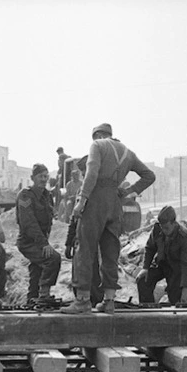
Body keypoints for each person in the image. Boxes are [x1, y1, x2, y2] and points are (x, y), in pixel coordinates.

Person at [63, 122, 155, 314]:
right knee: (110, 252)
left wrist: (81, 201)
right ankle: (109, 301)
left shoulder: (97, 146)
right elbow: (149, 175)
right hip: (114, 203)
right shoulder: (128, 153)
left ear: (97, 135)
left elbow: (92, 173)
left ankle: (82, 300)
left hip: (95, 200)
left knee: (85, 249)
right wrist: (129, 191)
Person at [16, 163, 61, 305]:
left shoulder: (47, 196)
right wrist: (44, 244)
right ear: (32, 178)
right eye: (40, 176)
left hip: (40, 240)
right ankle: (44, 295)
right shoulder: (25, 196)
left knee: (37, 268)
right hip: (28, 242)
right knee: (53, 259)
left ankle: (32, 299)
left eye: (46, 176)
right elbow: (28, 222)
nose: (44, 179)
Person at [137, 205, 187, 305]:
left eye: (167, 228)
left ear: (174, 223)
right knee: (143, 280)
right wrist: (145, 268)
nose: (164, 230)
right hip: (161, 263)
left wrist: (185, 289)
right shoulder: (157, 229)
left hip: (176, 269)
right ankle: (148, 310)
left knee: (176, 298)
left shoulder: (183, 237)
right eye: (162, 227)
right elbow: (150, 248)